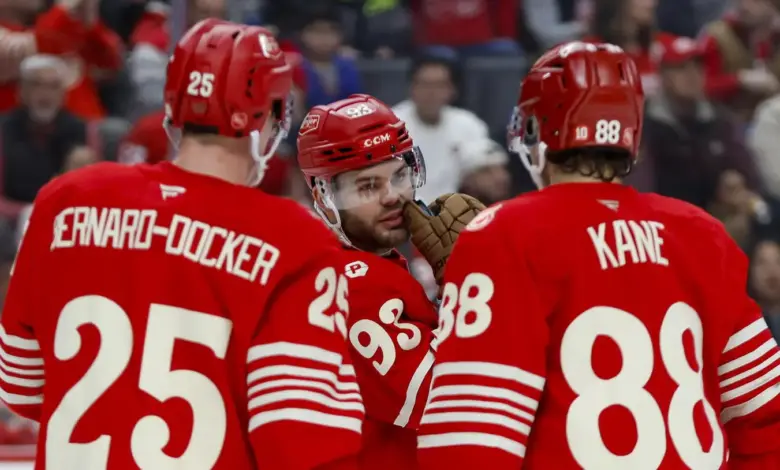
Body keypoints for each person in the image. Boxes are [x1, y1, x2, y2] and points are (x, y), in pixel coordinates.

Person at [0, 19, 363, 470]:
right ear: (268, 114)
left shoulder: (65, 200)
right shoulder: (296, 238)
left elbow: (21, 385)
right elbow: (302, 438)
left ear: (173, 102)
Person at [414, 41, 780, 469]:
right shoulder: (701, 232)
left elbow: (470, 437)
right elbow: (764, 414)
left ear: (534, 130)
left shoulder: (503, 234)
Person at [296, 94, 484, 469]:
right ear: (325, 198)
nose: (393, 197)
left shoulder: (369, 265)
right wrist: (471, 286)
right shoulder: (354, 285)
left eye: (399, 176)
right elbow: (451, 403)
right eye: (368, 187)